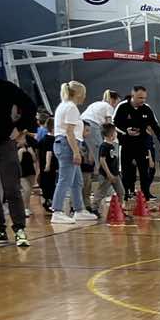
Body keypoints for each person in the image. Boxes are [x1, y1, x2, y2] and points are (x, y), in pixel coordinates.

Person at [0, 52, 35, 249]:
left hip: (4, 145)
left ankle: (19, 229)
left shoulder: (4, 87)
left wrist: (20, 129)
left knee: (11, 188)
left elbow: (29, 106)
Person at [51, 80, 98, 226]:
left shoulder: (65, 106)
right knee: (65, 180)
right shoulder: (71, 108)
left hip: (67, 144)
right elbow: (69, 132)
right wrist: (76, 152)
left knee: (77, 181)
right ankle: (57, 211)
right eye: (84, 94)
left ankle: (79, 210)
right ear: (78, 94)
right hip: (68, 145)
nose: (85, 97)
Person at [114, 83, 160, 207]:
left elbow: (155, 125)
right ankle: (126, 193)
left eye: (144, 98)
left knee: (144, 171)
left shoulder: (147, 108)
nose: (143, 100)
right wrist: (126, 131)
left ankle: (145, 195)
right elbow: (114, 124)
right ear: (133, 96)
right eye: (140, 98)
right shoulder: (122, 107)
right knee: (126, 171)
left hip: (142, 145)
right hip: (126, 144)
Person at [81, 88, 120, 202]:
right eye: (116, 102)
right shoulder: (108, 107)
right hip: (91, 127)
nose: (115, 105)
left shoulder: (96, 104)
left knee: (88, 162)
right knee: (102, 160)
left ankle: (85, 193)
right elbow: (108, 126)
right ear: (113, 100)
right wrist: (113, 138)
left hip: (82, 126)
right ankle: (106, 191)